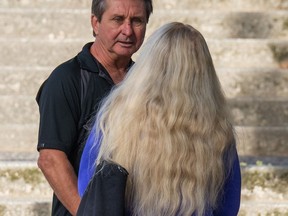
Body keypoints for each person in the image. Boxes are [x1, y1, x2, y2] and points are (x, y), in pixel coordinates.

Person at [78, 22, 241, 215]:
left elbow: (87, 186)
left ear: (149, 64)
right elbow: (228, 208)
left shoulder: (114, 118)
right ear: (204, 72)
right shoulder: (218, 131)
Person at [36, 0, 153, 215]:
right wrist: (89, 212)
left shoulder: (148, 83)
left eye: (137, 21)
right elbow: (51, 159)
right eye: (117, 19)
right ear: (95, 23)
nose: (127, 30)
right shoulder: (67, 79)